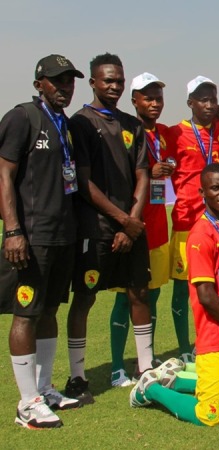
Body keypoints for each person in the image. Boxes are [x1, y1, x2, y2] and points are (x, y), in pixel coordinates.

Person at [130, 163, 219, 426]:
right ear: (202, 192)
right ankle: (150, 388)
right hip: (218, 339)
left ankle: (183, 379)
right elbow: (206, 296)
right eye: (215, 187)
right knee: (212, 417)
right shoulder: (200, 235)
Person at [0, 54, 84, 429]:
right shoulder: (22, 117)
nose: (64, 87)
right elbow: (4, 174)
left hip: (62, 235)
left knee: (50, 310)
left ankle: (45, 388)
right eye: (57, 81)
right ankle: (26, 403)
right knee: (27, 313)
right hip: (31, 237)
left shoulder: (63, 123)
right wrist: (13, 230)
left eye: (69, 81)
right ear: (39, 84)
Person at [66, 53, 153, 403]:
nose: (114, 86)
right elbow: (83, 182)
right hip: (97, 229)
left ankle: (146, 370)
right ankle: (77, 376)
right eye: (108, 80)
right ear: (93, 82)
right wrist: (123, 220)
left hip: (131, 226)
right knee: (85, 298)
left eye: (119, 80)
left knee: (139, 293)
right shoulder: (81, 123)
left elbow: (143, 175)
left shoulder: (133, 124)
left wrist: (132, 223)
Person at [107, 73, 173, 388]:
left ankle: (144, 360)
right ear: (134, 100)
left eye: (158, 98)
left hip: (159, 229)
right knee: (125, 299)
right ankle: (116, 366)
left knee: (153, 296)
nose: (154, 103)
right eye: (148, 97)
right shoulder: (124, 132)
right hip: (132, 229)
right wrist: (149, 170)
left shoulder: (164, 133)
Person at [166, 76, 219, 362]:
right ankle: (184, 346)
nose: (208, 105)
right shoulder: (174, 134)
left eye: (212, 99)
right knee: (184, 289)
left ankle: (213, 338)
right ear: (190, 102)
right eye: (202, 100)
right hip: (186, 222)